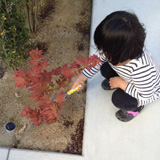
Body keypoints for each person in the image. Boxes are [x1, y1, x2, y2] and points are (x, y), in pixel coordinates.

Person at [71, 11, 160, 122]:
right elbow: (95, 63)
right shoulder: (114, 51)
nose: (102, 52)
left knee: (118, 99)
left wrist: (120, 83)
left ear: (120, 53)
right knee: (104, 67)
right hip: (127, 76)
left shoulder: (142, 69)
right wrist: (81, 78)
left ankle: (136, 108)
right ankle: (117, 82)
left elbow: (145, 95)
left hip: (145, 91)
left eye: (105, 50)